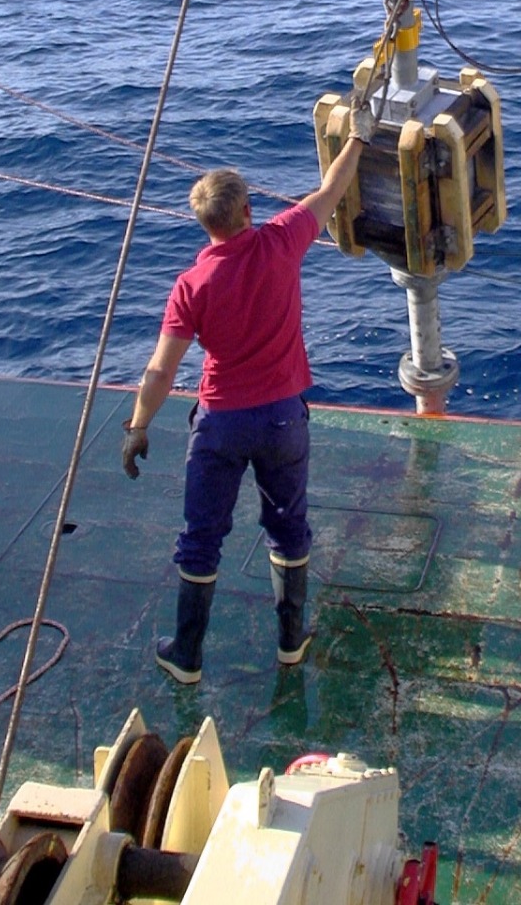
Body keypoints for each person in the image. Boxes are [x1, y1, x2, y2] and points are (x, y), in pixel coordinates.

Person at [121, 104, 375, 683]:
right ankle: (290, 642)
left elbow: (161, 372)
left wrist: (137, 426)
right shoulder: (281, 242)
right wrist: (357, 139)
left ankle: (187, 654)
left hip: (220, 425)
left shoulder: (190, 285)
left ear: (204, 222)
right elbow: (331, 189)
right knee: (289, 527)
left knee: (201, 535)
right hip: (284, 419)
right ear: (246, 211)